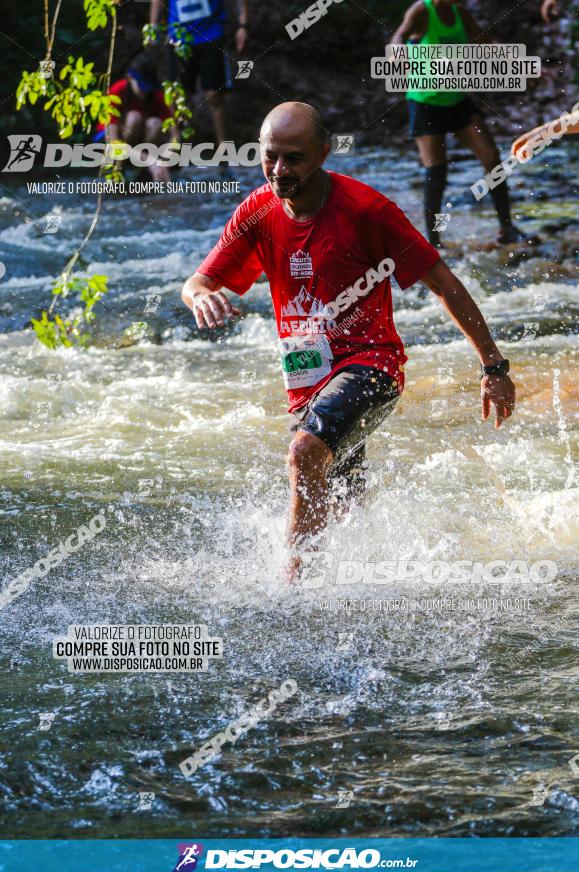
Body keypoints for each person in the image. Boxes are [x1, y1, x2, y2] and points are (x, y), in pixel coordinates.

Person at [180, 102, 516, 582]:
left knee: (303, 454)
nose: (278, 171)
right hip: (308, 380)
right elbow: (197, 281)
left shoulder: (367, 210)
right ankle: (363, 584)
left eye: (293, 158)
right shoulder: (257, 213)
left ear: (323, 152)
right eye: (269, 156)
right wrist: (199, 298)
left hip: (372, 368)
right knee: (342, 504)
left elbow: (442, 283)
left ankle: (294, 591)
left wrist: (493, 367)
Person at [391, 0, 532, 247]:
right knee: (437, 173)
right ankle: (433, 244)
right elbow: (398, 36)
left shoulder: (460, 13)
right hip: (426, 103)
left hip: (458, 101)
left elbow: (486, 42)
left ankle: (506, 229)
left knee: (492, 159)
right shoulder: (422, 11)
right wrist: (397, 52)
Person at [149, 0, 249, 154]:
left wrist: (243, 25)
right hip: (178, 38)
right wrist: (153, 25)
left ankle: (224, 150)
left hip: (211, 35)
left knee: (215, 95)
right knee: (177, 95)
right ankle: (176, 144)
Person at [96, 52, 174, 182]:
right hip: (112, 143)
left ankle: (144, 175)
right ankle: (119, 170)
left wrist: (165, 159)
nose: (146, 91)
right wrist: (150, 160)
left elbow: (174, 135)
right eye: (142, 84)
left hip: (142, 145)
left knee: (155, 123)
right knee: (134, 118)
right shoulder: (116, 92)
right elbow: (113, 143)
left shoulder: (156, 95)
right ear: (129, 77)